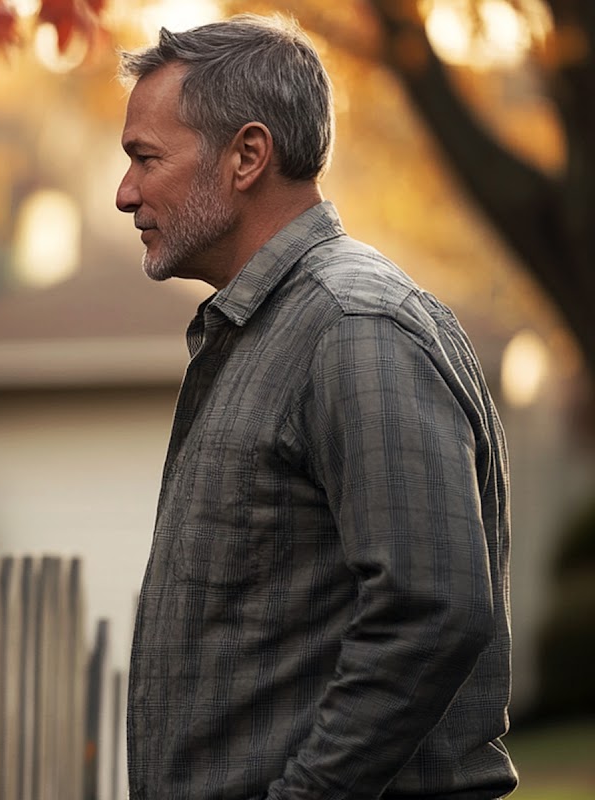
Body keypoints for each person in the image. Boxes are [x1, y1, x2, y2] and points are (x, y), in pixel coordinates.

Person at [115, 15, 515, 799]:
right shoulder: (268, 330)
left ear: (248, 156)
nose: (125, 192)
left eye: (145, 158)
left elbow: (433, 612)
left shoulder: (352, 327)